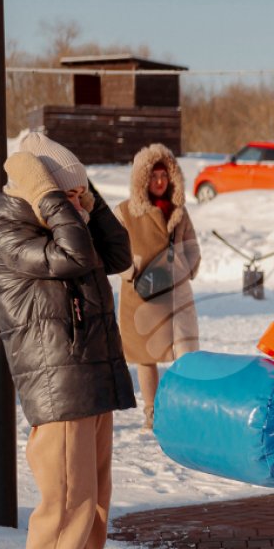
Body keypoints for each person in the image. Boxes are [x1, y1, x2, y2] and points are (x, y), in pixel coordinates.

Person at [0, 132, 137, 549]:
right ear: (36, 193)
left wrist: (88, 195)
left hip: (90, 373)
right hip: (57, 379)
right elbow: (74, 256)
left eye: (78, 197)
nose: (76, 206)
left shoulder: (63, 219)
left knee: (95, 495)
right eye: (66, 197)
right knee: (65, 497)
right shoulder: (9, 232)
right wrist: (49, 195)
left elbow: (118, 253)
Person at [114, 143, 201, 431]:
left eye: (164, 175)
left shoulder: (179, 211)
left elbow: (192, 247)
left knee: (184, 355)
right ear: (142, 178)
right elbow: (114, 250)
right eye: (153, 176)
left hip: (176, 295)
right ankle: (151, 412)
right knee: (146, 357)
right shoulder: (125, 212)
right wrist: (133, 271)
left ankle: (180, 408)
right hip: (143, 296)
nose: (160, 182)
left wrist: (184, 269)